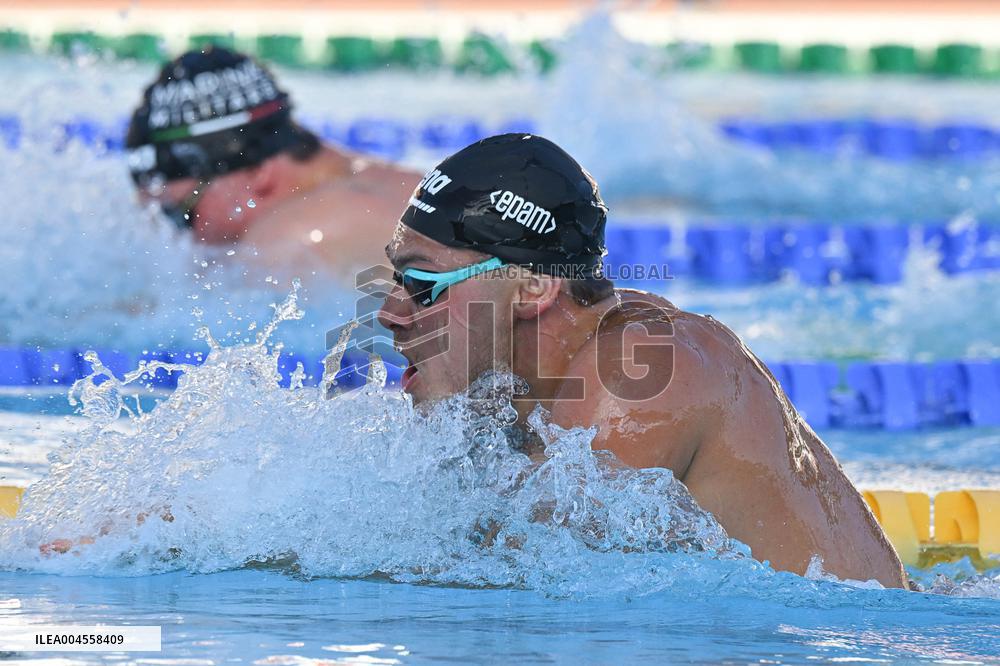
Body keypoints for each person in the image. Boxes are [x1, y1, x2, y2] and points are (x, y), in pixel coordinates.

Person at [378, 133, 908, 587]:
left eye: (423, 286)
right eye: (396, 278)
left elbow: (498, 585)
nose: (389, 313)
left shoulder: (642, 374)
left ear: (533, 287)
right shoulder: (521, 385)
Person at [125, 46, 419, 274]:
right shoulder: (408, 185)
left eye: (182, 215)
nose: (190, 240)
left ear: (255, 171)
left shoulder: (287, 242)